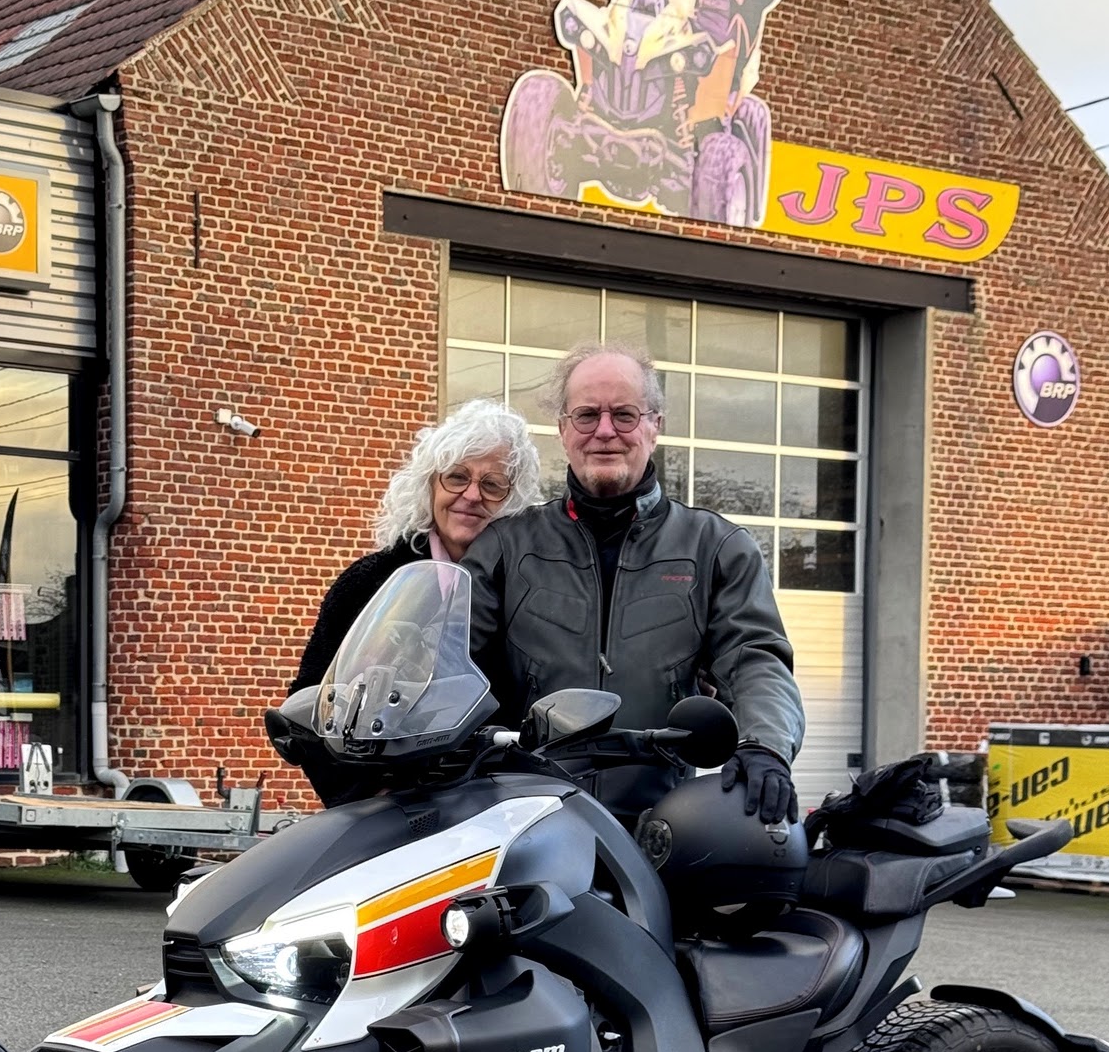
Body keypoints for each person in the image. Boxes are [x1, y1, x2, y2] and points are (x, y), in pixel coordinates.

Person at [463, 342, 804, 822]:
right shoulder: (505, 545)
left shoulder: (716, 547)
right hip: (524, 820)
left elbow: (754, 659)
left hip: (659, 825)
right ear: (563, 429)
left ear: (654, 426)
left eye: (624, 415)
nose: (605, 432)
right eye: (587, 415)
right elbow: (450, 661)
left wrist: (764, 744)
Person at [289, 400, 543, 695]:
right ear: (429, 486)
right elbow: (309, 695)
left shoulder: (532, 590)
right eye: (456, 477)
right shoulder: (366, 582)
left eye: (492, 484)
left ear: (514, 500)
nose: (472, 495)